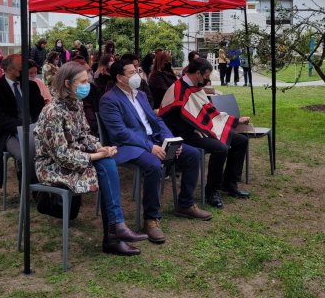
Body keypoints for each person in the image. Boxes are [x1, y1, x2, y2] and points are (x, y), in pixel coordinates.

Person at [34, 61, 147, 256]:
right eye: (83, 81)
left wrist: (100, 147)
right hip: (52, 167)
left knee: (106, 163)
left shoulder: (75, 104)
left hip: (74, 159)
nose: (88, 85)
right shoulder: (52, 112)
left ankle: (115, 230)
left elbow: (85, 135)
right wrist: (97, 155)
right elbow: (62, 155)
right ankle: (114, 232)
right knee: (105, 167)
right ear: (67, 83)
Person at [99, 60, 211, 245]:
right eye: (131, 73)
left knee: (192, 154)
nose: (137, 75)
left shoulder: (141, 95)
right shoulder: (109, 99)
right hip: (129, 146)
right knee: (153, 164)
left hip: (154, 141)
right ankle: (151, 220)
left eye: (137, 71)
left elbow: (157, 121)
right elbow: (120, 133)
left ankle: (185, 204)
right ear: (119, 78)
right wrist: (149, 146)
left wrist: (171, 141)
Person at [159, 58, 250, 209]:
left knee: (241, 141)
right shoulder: (177, 89)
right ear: (197, 74)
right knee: (221, 148)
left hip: (201, 129)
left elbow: (208, 111)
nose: (207, 80)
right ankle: (211, 191)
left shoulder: (195, 87)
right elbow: (167, 119)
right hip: (184, 134)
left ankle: (229, 183)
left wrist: (233, 121)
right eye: (206, 76)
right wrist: (197, 127)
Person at [0, 54, 45, 189]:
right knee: (25, 155)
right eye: (20, 68)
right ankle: (28, 190)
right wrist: (22, 127)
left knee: (48, 150)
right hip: (8, 133)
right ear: (9, 69)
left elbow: (41, 109)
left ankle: (43, 188)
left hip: (34, 129)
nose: (24, 70)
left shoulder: (31, 86)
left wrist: (36, 125)